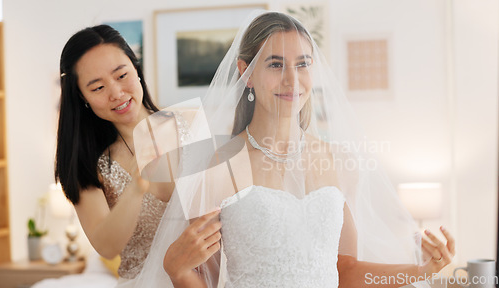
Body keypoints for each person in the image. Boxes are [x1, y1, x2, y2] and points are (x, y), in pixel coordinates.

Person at [132, 11, 455, 288]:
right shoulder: (220, 166)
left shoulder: (339, 161)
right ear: (246, 73)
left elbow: (345, 271)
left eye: (302, 64)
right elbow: (204, 279)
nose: (292, 80)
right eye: (275, 65)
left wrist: (420, 271)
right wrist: (177, 270)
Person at [54, 25, 222, 285]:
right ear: (82, 98)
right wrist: (136, 187)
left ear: (136, 69)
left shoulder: (192, 121)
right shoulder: (87, 163)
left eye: (121, 75)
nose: (116, 93)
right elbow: (106, 246)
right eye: (98, 88)